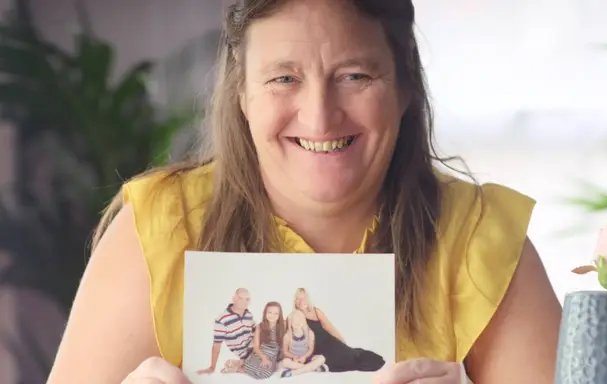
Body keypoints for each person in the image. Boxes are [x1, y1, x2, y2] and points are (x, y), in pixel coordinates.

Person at [46, 0, 562, 383]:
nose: (319, 116)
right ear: (242, 94)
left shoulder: (479, 237)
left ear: (405, 87)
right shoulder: (159, 225)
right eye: (284, 79)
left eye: (355, 75)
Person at [292, 288, 384, 372]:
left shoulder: (316, 311)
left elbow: (330, 328)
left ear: (307, 300)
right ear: (295, 301)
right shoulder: (294, 316)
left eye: (303, 298)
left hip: (329, 342)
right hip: (315, 348)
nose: (300, 301)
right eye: (298, 299)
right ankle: (322, 365)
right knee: (332, 360)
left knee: (351, 355)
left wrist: (342, 341)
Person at [197, 288, 254, 374]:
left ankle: (240, 363)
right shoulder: (222, 320)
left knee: (276, 350)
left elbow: (256, 330)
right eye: (240, 298)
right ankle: (239, 366)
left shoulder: (248, 314)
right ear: (234, 299)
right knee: (266, 369)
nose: (244, 302)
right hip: (245, 353)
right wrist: (212, 367)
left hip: (256, 348)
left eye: (247, 299)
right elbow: (216, 345)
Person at [241, 302, 285, 379]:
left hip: (272, 356)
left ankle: (240, 367)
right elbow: (256, 347)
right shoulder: (260, 327)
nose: (272, 315)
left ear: (279, 315)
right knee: (250, 367)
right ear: (265, 313)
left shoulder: (282, 326)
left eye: (276, 313)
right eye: (270, 312)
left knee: (264, 374)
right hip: (260, 353)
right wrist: (264, 358)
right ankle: (239, 368)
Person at [280, 309, 328, 378]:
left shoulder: (310, 333)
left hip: (307, 357)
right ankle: (313, 368)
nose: (297, 323)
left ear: (303, 321)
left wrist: (305, 356)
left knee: (322, 358)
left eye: (299, 320)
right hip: (294, 360)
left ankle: (294, 372)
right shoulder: (287, 335)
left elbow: (310, 349)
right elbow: (285, 351)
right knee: (285, 362)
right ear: (290, 323)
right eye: (294, 321)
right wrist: (293, 357)